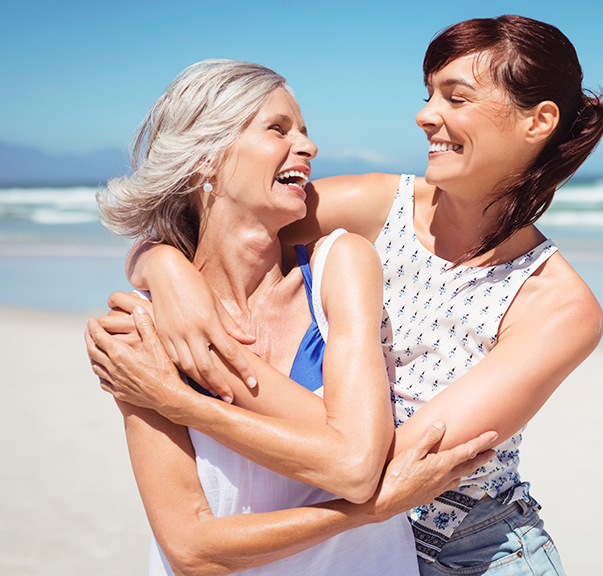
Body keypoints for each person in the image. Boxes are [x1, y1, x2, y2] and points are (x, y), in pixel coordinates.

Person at [106, 14, 603, 575]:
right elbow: (223, 219)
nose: (425, 115)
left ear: (537, 121)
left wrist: (193, 384)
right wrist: (164, 269)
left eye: (456, 97)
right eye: (428, 94)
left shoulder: (557, 305)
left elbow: (381, 461)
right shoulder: (374, 209)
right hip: (343, 539)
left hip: (473, 555)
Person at [84, 59, 497, 575]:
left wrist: (183, 403)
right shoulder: (142, 329)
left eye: (304, 131)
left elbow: (355, 465)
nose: (307, 146)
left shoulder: (339, 266)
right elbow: (190, 549)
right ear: (204, 160)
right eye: (278, 129)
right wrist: (368, 512)